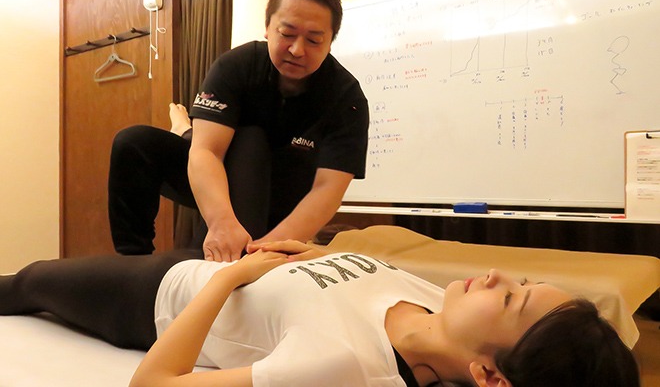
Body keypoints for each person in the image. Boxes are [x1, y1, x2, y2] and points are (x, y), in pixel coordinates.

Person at [0, 241, 639, 387]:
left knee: (26, 283)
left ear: (490, 374)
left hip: (155, 298)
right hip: (209, 266)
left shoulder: (346, 367)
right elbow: (352, 273)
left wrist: (232, 277)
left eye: (511, 299)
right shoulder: (435, 302)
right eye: (521, 281)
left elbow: (153, 384)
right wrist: (316, 253)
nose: (496, 276)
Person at [108, 0, 369, 262]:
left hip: (283, 196)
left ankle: (184, 128)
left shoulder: (346, 98)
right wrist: (221, 223)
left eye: (313, 40)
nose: (297, 50)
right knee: (133, 143)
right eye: (287, 33)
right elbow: (206, 152)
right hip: (220, 175)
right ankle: (133, 262)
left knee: (251, 141)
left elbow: (327, 191)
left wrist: (268, 248)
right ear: (268, 28)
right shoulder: (236, 66)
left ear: (330, 42)